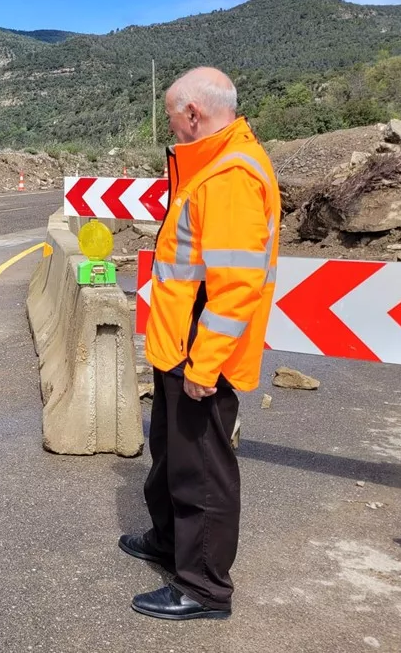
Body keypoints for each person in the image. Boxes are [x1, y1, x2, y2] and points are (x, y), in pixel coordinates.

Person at [120, 67, 281, 621]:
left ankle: (204, 587)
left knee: (202, 471)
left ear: (193, 113)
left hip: (200, 350)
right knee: (172, 454)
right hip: (179, 342)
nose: (169, 125)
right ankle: (170, 541)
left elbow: (236, 287)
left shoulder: (231, 175)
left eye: (171, 115)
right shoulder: (212, 166)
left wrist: (204, 364)